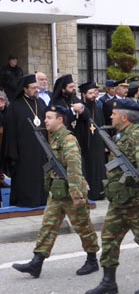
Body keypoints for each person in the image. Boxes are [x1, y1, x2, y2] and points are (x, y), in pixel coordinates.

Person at [85, 98, 139, 294]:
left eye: (113, 114)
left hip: (138, 200)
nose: (110, 116)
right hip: (120, 201)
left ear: (123, 116)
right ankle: (108, 281)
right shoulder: (122, 135)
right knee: (109, 238)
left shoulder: (138, 134)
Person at [12, 105, 100, 278]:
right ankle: (37, 262)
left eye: (50, 117)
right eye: (46, 117)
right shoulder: (54, 138)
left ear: (60, 120)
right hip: (57, 191)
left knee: (83, 227)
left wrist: (76, 194)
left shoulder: (67, 140)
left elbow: (74, 167)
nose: (46, 120)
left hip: (71, 191)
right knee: (48, 225)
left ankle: (92, 260)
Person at [3, 74, 48, 207]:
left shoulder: (40, 103)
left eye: (37, 87)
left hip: (40, 150)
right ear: (24, 89)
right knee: (26, 177)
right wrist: (13, 153)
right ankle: (26, 201)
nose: (36, 90)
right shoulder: (15, 106)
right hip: (23, 151)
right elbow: (10, 132)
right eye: (33, 88)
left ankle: (42, 199)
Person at [79, 81, 107, 201]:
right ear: (84, 95)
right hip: (86, 144)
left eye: (94, 93)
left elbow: (102, 125)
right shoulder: (81, 108)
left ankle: (100, 192)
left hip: (98, 143)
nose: (93, 95)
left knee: (99, 168)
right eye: (90, 93)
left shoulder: (98, 107)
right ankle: (90, 193)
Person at [50, 74, 90, 142]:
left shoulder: (74, 99)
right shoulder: (56, 102)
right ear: (63, 90)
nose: (73, 89)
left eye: (74, 86)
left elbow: (88, 114)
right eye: (70, 87)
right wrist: (72, 110)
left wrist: (82, 110)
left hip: (78, 136)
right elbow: (59, 119)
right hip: (63, 138)